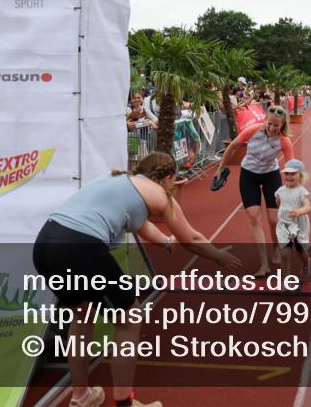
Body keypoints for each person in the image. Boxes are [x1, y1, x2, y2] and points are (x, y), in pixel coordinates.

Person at [33, 152, 241, 407]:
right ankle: (125, 403)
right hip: (80, 247)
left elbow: (142, 226)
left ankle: (81, 396)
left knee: (82, 315)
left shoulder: (123, 182)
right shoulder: (159, 193)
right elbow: (192, 239)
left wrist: (165, 241)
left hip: (46, 243)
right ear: (168, 178)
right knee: (131, 318)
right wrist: (219, 256)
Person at [212, 106, 294, 276]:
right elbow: (233, 146)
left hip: (271, 175)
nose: (272, 128)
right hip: (249, 174)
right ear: (265, 121)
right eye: (270, 124)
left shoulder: (284, 140)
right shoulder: (253, 130)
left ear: (282, 125)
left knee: (273, 220)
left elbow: (291, 165)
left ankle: (276, 249)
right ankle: (264, 264)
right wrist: (221, 167)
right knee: (254, 218)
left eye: (276, 126)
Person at [275, 159, 311, 278]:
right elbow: (278, 202)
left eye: (293, 174)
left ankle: (306, 263)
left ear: (300, 175)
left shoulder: (302, 192)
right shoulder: (280, 190)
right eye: (287, 173)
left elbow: (307, 207)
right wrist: (282, 212)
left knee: (300, 250)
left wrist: (298, 212)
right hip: (284, 225)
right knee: (284, 253)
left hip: (299, 225)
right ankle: (285, 279)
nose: (289, 176)